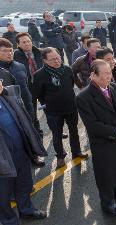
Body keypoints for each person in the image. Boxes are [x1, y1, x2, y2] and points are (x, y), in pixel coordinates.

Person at [76, 60, 116, 216]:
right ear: (93, 75)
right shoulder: (83, 97)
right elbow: (93, 125)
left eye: (110, 71)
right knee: (106, 173)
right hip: (103, 142)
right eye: (106, 73)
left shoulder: (114, 87)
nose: (110, 76)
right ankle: (107, 203)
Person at [0, 79, 48, 225]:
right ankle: (8, 221)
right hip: (2, 158)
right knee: (3, 193)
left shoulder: (6, 96)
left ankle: (26, 210)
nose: (1, 84)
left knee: (24, 183)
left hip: (20, 150)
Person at [32, 47, 88, 168]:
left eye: (58, 58)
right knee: (57, 135)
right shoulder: (39, 75)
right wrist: (47, 104)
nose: (57, 61)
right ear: (45, 61)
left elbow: (71, 85)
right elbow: (36, 94)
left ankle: (76, 152)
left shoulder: (67, 69)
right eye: (52, 60)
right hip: (53, 111)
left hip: (71, 107)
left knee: (74, 131)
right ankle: (60, 156)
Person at [13, 33, 44, 137]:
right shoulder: (16, 55)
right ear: (18, 44)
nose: (27, 44)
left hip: (42, 85)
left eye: (29, 41)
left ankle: (57, 129)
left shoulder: (38, 52)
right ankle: (37, 132)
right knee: (32, 111)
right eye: (24, 42)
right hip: (28, 87)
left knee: (50, 109)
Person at [0, 38, 35, 122]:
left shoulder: (20, 66)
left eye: (11, 50)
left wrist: (30, 106)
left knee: (34, 130)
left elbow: (25, 87)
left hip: (27, 107)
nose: (9, 53)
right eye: (4, 51)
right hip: (8, 113)